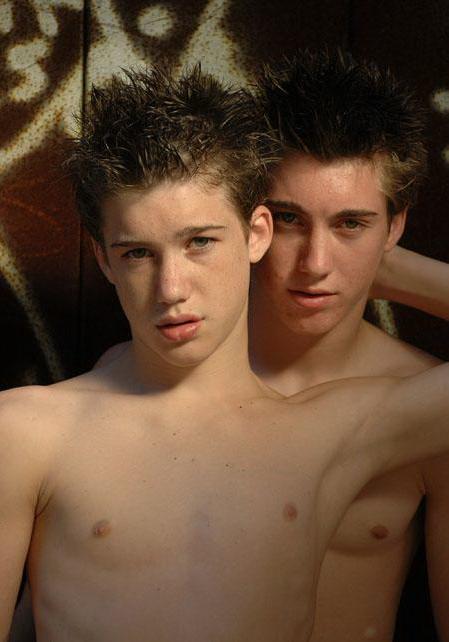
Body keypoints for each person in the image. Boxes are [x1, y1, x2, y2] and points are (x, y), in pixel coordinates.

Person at [1, 64, 449, 642]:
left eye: (201, 242)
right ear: (105, 259)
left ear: (254, 233)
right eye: (138, 253)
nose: (171, 289)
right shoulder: (33, 427)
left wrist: (384, 264)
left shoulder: (345, 427)